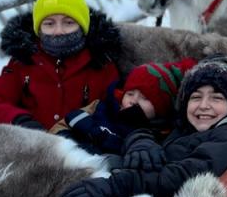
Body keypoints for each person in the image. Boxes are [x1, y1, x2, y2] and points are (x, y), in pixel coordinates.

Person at [59, 57, 227, 197]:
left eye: (216, 98)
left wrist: (116, 186)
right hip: (142, 190)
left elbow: (184, 176)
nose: (204, 106)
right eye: (196, 97)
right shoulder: (186, 126)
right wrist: (140, 142)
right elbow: (153, 133)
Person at [0, 0, 121, 130]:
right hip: (36, 148)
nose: (58, 31)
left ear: (82, 26)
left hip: (85, 149)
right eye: (49, 24)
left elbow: (115, 111)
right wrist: (20, 120)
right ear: (39, 29)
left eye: (68, 23)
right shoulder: (25, 62)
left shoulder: (100, 63)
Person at [52, 57, 196, 157]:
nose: (133, 101)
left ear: (161, 108)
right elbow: (61, 126)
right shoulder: (101, 107)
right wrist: (64, 139)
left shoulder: (159, 135)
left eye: (145, 98)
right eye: (130, 94)